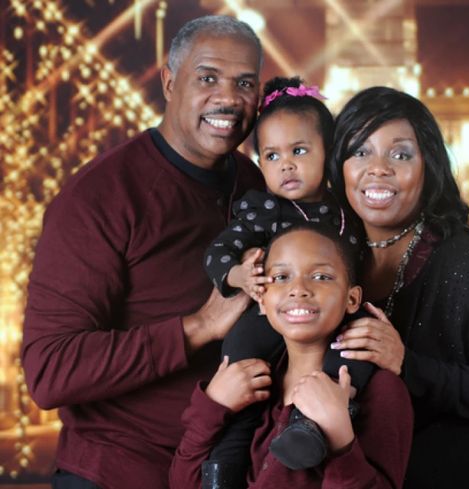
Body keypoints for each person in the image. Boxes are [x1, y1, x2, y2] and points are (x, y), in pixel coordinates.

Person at [21, 15, 265, 489]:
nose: (229, 99)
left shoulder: (256, 182)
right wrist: (197, 327)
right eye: (208, 78)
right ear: (170, 83)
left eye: (245, 83)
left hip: (222, 468)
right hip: (118, 472)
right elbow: (49, 370)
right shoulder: (98, 198)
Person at [326, 86, 469, 489]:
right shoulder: (331, 261)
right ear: (338, 165)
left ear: (428, 166)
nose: (378, 168)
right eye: (360, 151)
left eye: (400, 154)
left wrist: (408, 366)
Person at [201, 76, 372, 481]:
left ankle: (308, 426)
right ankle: (223, 466)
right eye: (272, 157)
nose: (287, 165)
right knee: (245, 375)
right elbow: (218, 251)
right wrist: (239, 274)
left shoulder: (346, 208)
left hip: (329, 316)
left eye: (298, 151)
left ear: (328, 153)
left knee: (353, 356)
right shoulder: (263, 210)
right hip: (268, 316)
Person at [170, 222, 413, 489]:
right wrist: (213, 406)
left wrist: (341, 439)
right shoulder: (245, 381)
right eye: (282, 277)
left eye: (321, 277)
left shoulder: (381, 391)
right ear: (262, 299)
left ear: (352, 299)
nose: (298, 289)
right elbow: (183, 483)